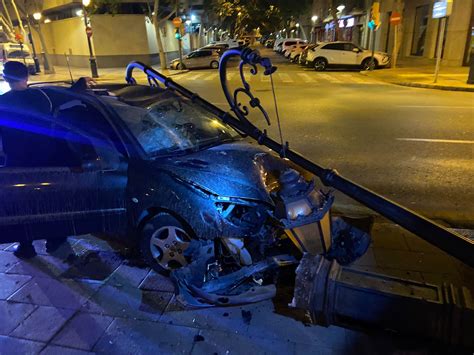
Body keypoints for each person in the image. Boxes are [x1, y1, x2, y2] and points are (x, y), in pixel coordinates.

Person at [0, 61, 74, 258]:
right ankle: (56, 241)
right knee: (51, 200)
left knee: (21, 204)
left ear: (6, 79)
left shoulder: (2, 103)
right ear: (27, 77)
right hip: (46, 158)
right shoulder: (42, 97)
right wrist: (81, 84)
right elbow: (68, 96)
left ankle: (26, 246)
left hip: (17, 161)